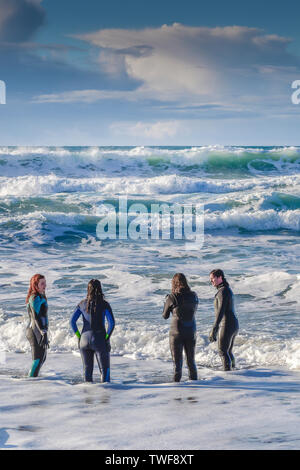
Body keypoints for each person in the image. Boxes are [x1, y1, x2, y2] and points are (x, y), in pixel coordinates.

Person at [70, 279, 115, 383]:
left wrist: (79, 336)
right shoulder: (104, 304)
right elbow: (111, 323)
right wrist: (107, 338)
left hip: (83, 341)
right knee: (105, 371)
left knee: (87, 371)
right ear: (100, 289)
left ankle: (87, 397)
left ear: (88, 289)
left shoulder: (81, 304)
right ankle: (105, 397)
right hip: (99, 340)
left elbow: (72, 322)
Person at [162, 273, 199, 382]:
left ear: (174, 283)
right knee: (191, 362)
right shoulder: (194, 295)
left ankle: (176, 391)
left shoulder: (171, 297)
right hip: (191, 331)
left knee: (177, 365)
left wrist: (166, 302)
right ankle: (195, 387)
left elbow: (165, 316)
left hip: (176, 332)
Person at [209, 269, 239, 371]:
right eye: (211, 279)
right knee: (228, 351)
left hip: (227, 324)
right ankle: (233, 372)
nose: (211, 281)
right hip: (233, 324)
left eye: (213, 278)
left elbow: (221, 311)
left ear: (220, 277)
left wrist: (214, 328)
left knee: (222, 351)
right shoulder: (226, 290)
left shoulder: (223, 292)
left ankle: (227, 376)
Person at [26, 274, 49, 377]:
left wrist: (44, 331)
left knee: (42, 358)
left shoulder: (41, 296)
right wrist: (43, 332)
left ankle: (33, 379)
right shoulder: (34, 297)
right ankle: (30, 382)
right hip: (35, 330)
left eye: (45, 282)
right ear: (36, 285)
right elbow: (35, 317)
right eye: (42, 283)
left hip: (40, 330)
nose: (45, 285)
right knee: (37, 359)